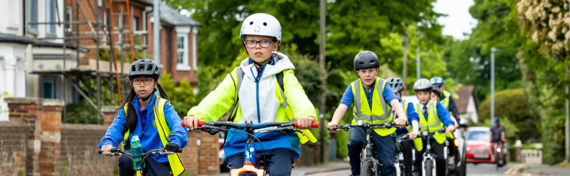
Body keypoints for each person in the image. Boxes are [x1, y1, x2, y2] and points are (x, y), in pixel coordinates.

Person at [183, 13, 317, 176]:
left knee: (279, 173)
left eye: (264, 41)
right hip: (242, 140)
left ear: (275, 45)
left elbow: (297, 94)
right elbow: (218, 97)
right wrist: (196, 115)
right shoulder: (238, 75)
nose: (258, 46)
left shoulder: (283, 75)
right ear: (245, 45)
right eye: (252, 41)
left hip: (278, 140)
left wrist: (306, 115)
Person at [99, 59, 188, 176]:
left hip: (159, 158)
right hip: (134, 158)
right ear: (132, 83)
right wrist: (108, 142)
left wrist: (175, 141)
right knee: (124, 160)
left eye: (147, 80)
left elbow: (178, 124)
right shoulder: (127, 109)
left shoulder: (163, 107)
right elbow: (115, 128)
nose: (141, 84)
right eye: (137, 80)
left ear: (156, 83)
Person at [327, 51, 409, 176]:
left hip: (384, 128)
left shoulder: (383, 85)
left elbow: (394, 101)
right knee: (355, 143)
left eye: (371, 70)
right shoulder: (353, 87)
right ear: (357, 72)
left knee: (388, 165)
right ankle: (355, 172)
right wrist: (334, 122)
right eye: (363, 71)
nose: (367, 75)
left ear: (377, 70)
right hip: (361, 126)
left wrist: (402, 117)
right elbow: (342, 106)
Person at [412, 78, 455, 176]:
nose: (423, 96)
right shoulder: (414, 107)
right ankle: (416, 173)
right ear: (417, 95)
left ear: (430, 94)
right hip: (421, 137)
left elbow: (445, 115)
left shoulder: (436, 105)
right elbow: (410, 119)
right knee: (417, 158)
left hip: (436, 137)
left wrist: (450, 125)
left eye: (425, 94)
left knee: (440, 159)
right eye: (420, 94)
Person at [388, 77, 420, 176]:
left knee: (406, 143)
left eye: (395, 95)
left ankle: (408, 171)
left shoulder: (407, 104)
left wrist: (415, 130)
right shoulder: (382, 106)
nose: (392, 98)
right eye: (390, 95)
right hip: (386, 136)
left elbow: (413, 117)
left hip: (402, 135)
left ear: (401, 94)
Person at [430, 76, 460, 167]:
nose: (436, 88)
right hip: (432, 125)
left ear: (443, 87)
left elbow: (454, 110)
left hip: (447, 122)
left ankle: (451, 156)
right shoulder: (427, 97)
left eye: (439, 86)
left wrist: (455, 121)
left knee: (452, 139)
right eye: (433, 86)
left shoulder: (448, 96)